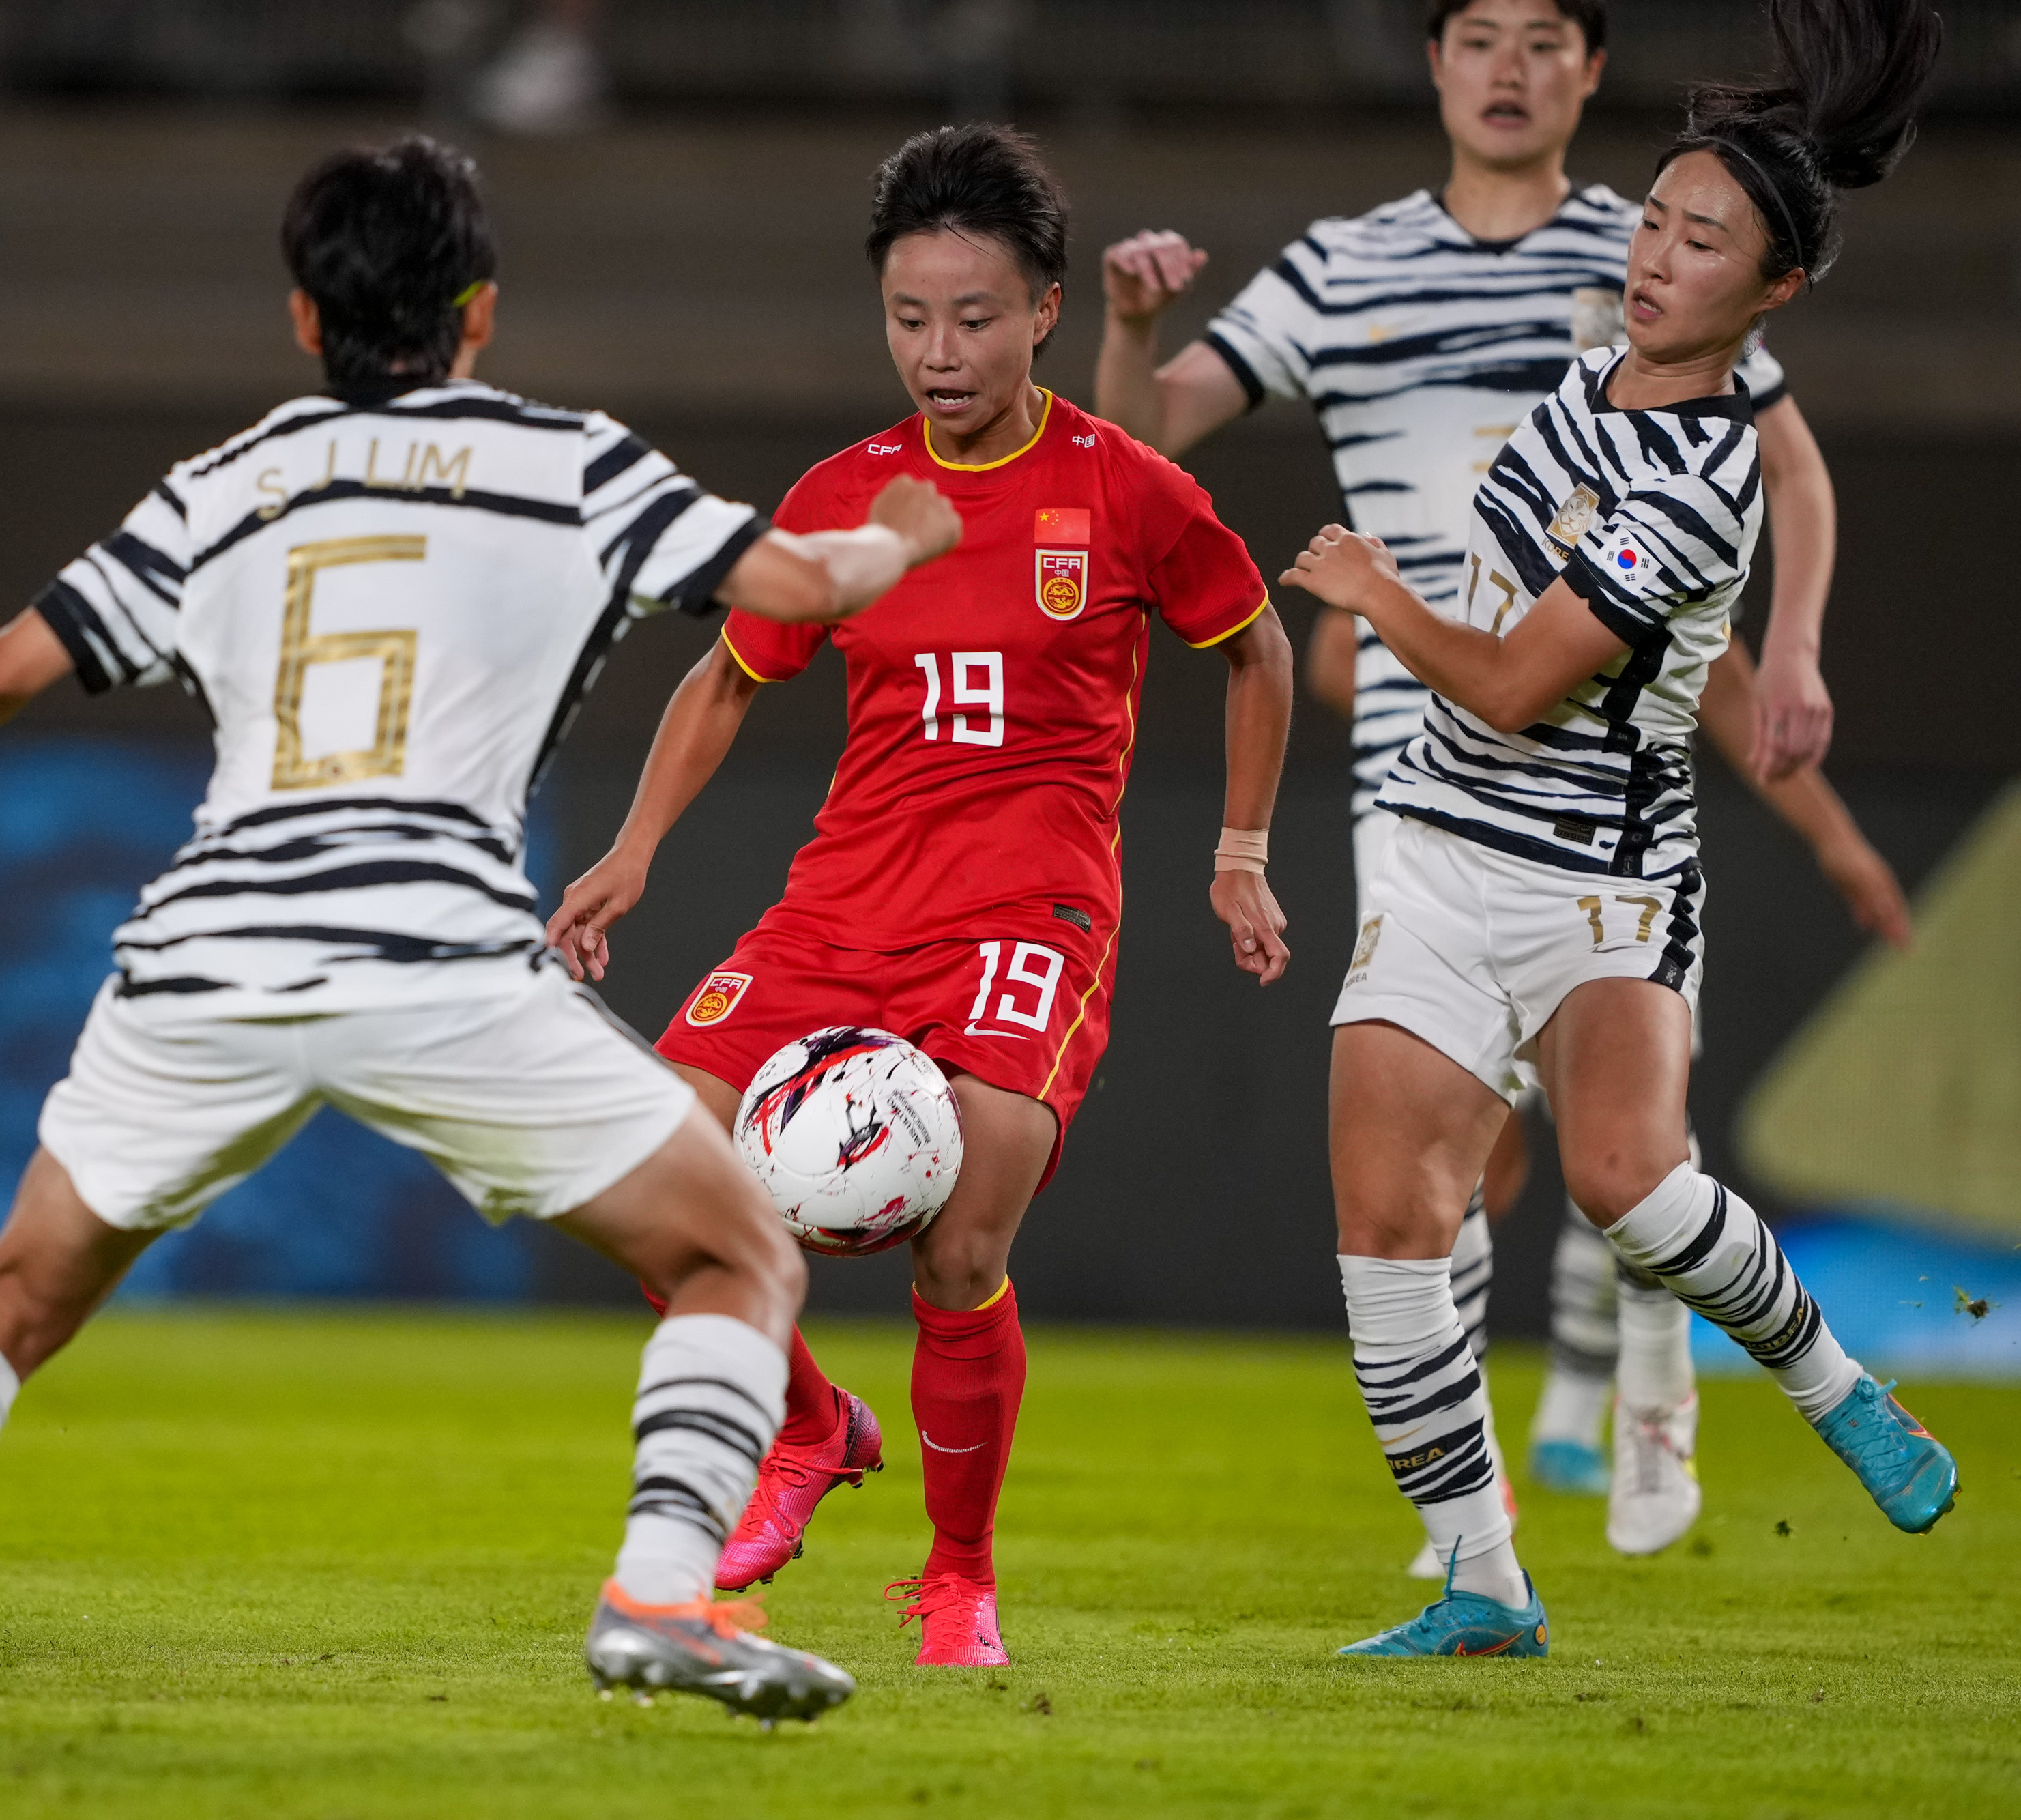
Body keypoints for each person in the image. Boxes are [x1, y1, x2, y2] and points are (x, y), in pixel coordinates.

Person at [0, 135, 968, 1723]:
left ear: (305, 321)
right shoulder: (567, 462)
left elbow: (19, 667)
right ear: (480, 310)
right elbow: (794, 580)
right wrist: (900, 543)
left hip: (211, 953)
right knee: (733, 1252)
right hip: (434, 953)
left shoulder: (222, 484)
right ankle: (660, 1595)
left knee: (16, 1292)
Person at [1088, 0, 1907, 1570]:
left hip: (1586, 807)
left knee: (1612, 1175)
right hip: (1420, 782)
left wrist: (1787, 647)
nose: (1511, 67)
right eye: (1479, 34)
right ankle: (1478, 1547)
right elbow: (1151, 438)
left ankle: (1697, 1376)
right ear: (1434, 64)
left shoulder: (1665, 302)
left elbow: (1750, 480)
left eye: (1547, 37)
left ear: (1590, 68)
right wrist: (1126, 330)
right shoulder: (1389, 278)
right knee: (1431, 1183)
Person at [547, 124, 1294, 1669]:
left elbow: (1257, 647)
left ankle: (958, 1578)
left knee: (960, 1248)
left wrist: (1238, 849)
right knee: (636, 1177)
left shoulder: (1127, 490)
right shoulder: (850, 494)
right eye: (906, 318)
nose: (936, 353)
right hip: (842, 904)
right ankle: (811, 1429)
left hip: (1032, 916)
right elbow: (724, 676)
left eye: (970, 316)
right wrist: (630, 853)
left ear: (1041, 310)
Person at [1279, 0, 1956, 1656]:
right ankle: (1479, 1579)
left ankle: (1826, 1380)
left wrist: (1373, 591)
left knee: (1626, 1187)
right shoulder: (1599, 358)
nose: (1654, 256)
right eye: (1653, 218)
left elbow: (1513, 683)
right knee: (1382, 1215)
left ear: (1772, 292)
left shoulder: (1698, 482)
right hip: (1437, 843)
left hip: (1598, 878)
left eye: (1700, 239)